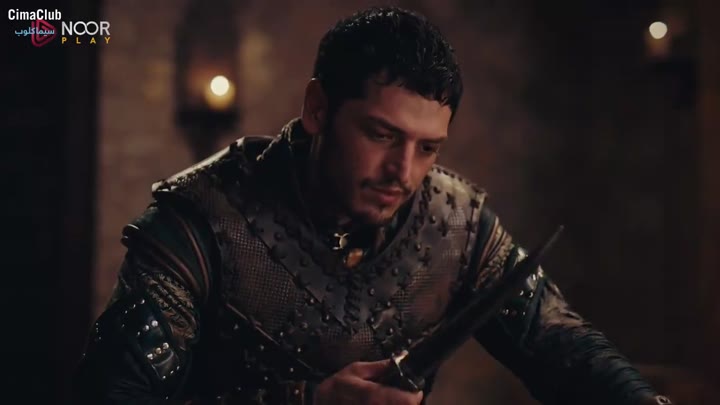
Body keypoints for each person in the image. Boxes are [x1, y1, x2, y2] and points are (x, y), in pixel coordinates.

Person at [73, 6, 674, 405]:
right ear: (317, 109)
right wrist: (304, 401)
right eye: (382, 135)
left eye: (428, 148)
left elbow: (558, 344)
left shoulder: (455, 224)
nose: (403, 173)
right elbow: (113, 397)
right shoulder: (197, 225)